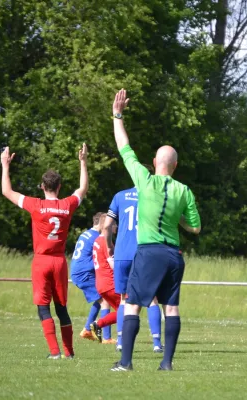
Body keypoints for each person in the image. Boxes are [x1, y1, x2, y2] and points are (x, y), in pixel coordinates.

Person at [109, 89, 201, 371]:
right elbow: (195, 228)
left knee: (134, 304)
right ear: (175, 166)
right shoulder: (184, 190)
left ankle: (125, 363)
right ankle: (167, 363)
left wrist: (117, 115)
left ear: (154, 163)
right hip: (173, 254)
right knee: (170, 308)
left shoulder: (144, 181)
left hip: (148, 252)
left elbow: (124, 147)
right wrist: (178, 222)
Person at [0, 143, 88, 359]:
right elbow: (83, 189)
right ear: (59, 187)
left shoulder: (36, 205)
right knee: (62, 308)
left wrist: (5, 166)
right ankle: (69, 352)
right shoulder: (67, 205)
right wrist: (83, 162)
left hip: (41, 262)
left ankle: (54, 352)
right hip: (59, 262)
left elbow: (6, 191)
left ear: (42, 186)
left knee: (43, 307)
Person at [103, 187, 164, 353]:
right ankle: (157, 343)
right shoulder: (154, 196)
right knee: (152, 299)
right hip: (144, 253)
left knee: (124, 299)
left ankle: (121, 341)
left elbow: (107, 225)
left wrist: (109, 247)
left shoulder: (119, 195)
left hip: (122, 253)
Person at [70, 212, 114, 343]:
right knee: (106, 301)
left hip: (79, 271)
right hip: (84, 273)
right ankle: (106, 337)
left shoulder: (86, 233)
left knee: (100, 298)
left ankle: (87, 330)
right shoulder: (97, 238)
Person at [90, 212, 120, 340]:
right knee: (128, 308)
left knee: (122, 310)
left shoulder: (97, 240)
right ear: (107, 225)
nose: (116, 226)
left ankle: (98, 324)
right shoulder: (106, 242)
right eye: (114, 224)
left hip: (101, 283)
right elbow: (112, 263)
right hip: (110, 282)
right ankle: (122, 340)